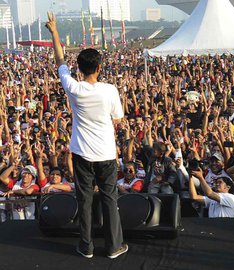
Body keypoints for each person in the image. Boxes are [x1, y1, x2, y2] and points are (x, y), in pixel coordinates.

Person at [46, 11, 127, 259]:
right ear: (99, 68)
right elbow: (118, 118)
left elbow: (60, 60)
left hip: (82, 154)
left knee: (85, 201)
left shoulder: (73, 87)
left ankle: (86, 246)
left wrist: (55, 31)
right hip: (105, 153)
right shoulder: (110, 90)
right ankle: (113, 246)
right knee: (109, 200)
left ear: (78, 68)